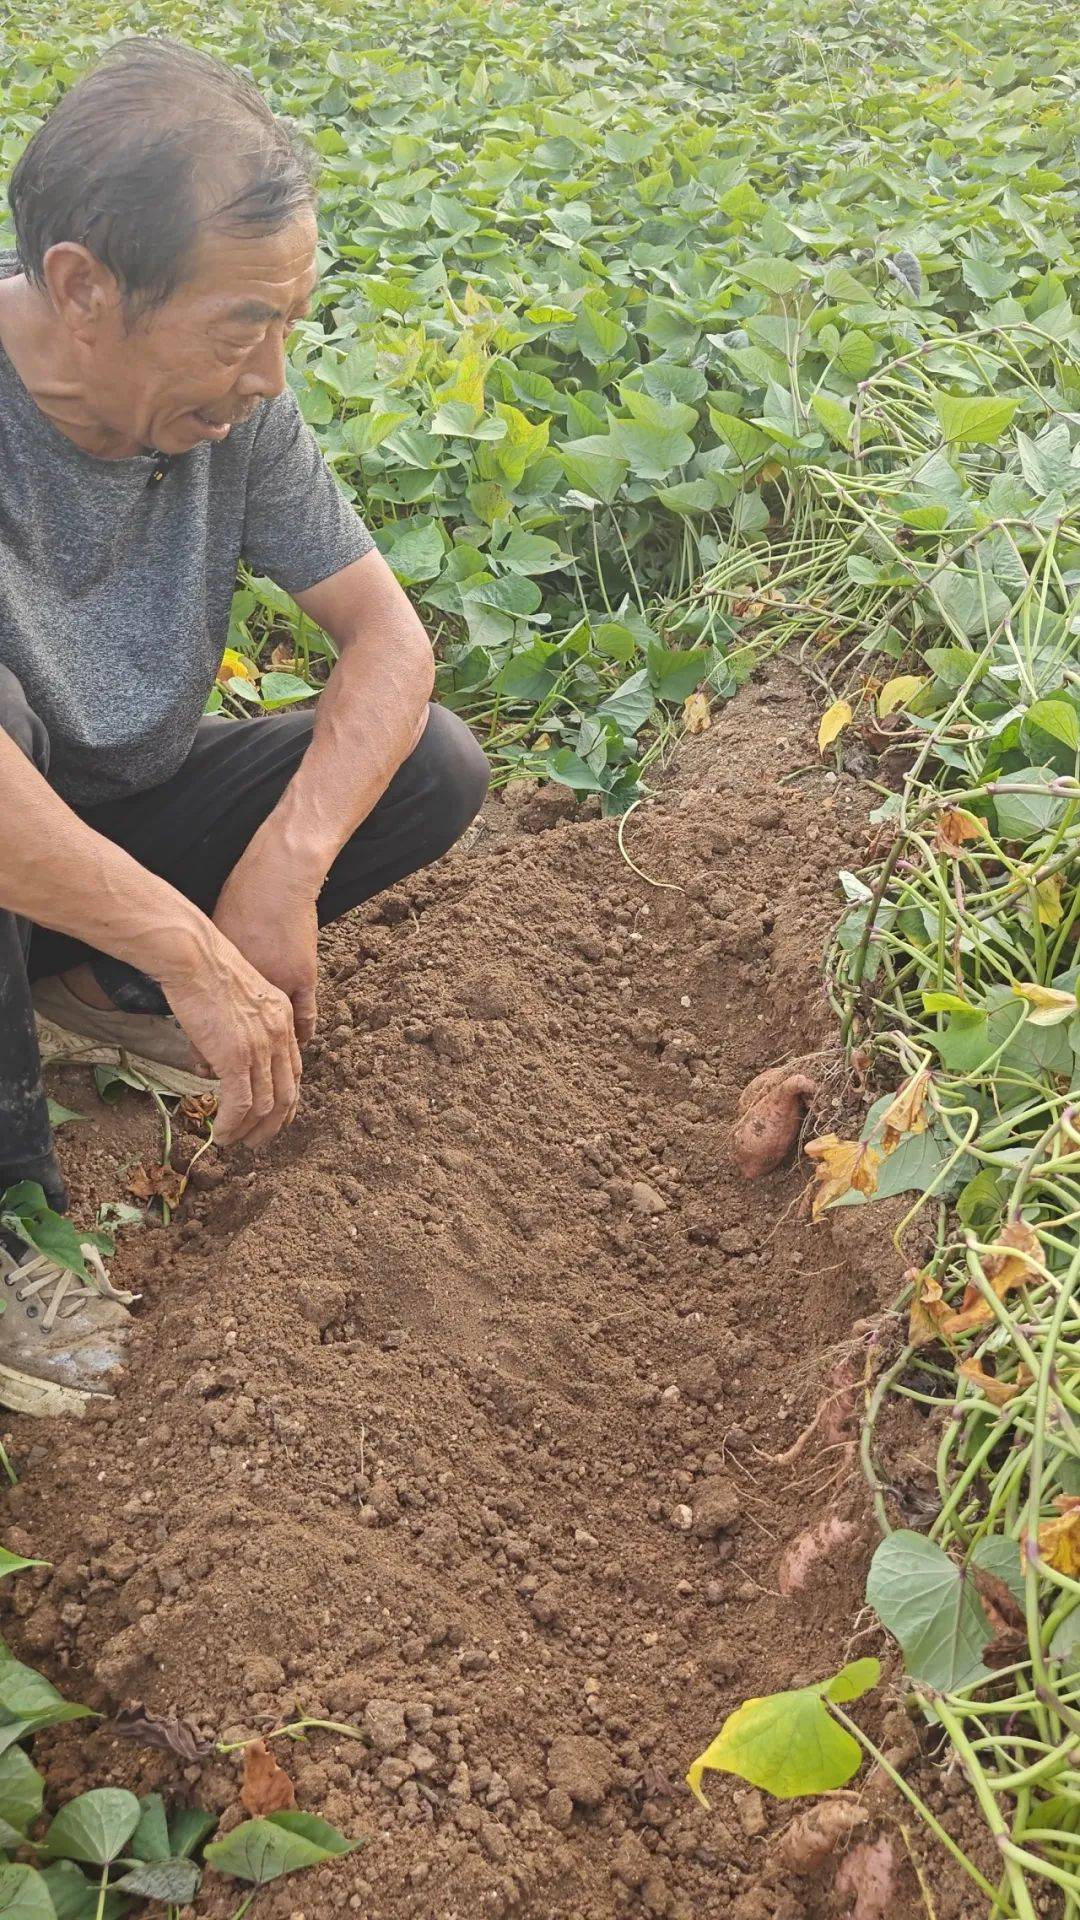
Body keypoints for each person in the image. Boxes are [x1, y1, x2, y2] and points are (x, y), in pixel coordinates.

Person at [0, 38, 490, 1416]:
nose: (271, 373)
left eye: (292, 324)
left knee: (433, 762)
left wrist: (282, 870)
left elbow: (391, 643)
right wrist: (201, 957)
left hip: (102, 830)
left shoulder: (231, 416)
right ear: (84, 289)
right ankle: (11, 1216)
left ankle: (88, 995)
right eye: (239, 324)